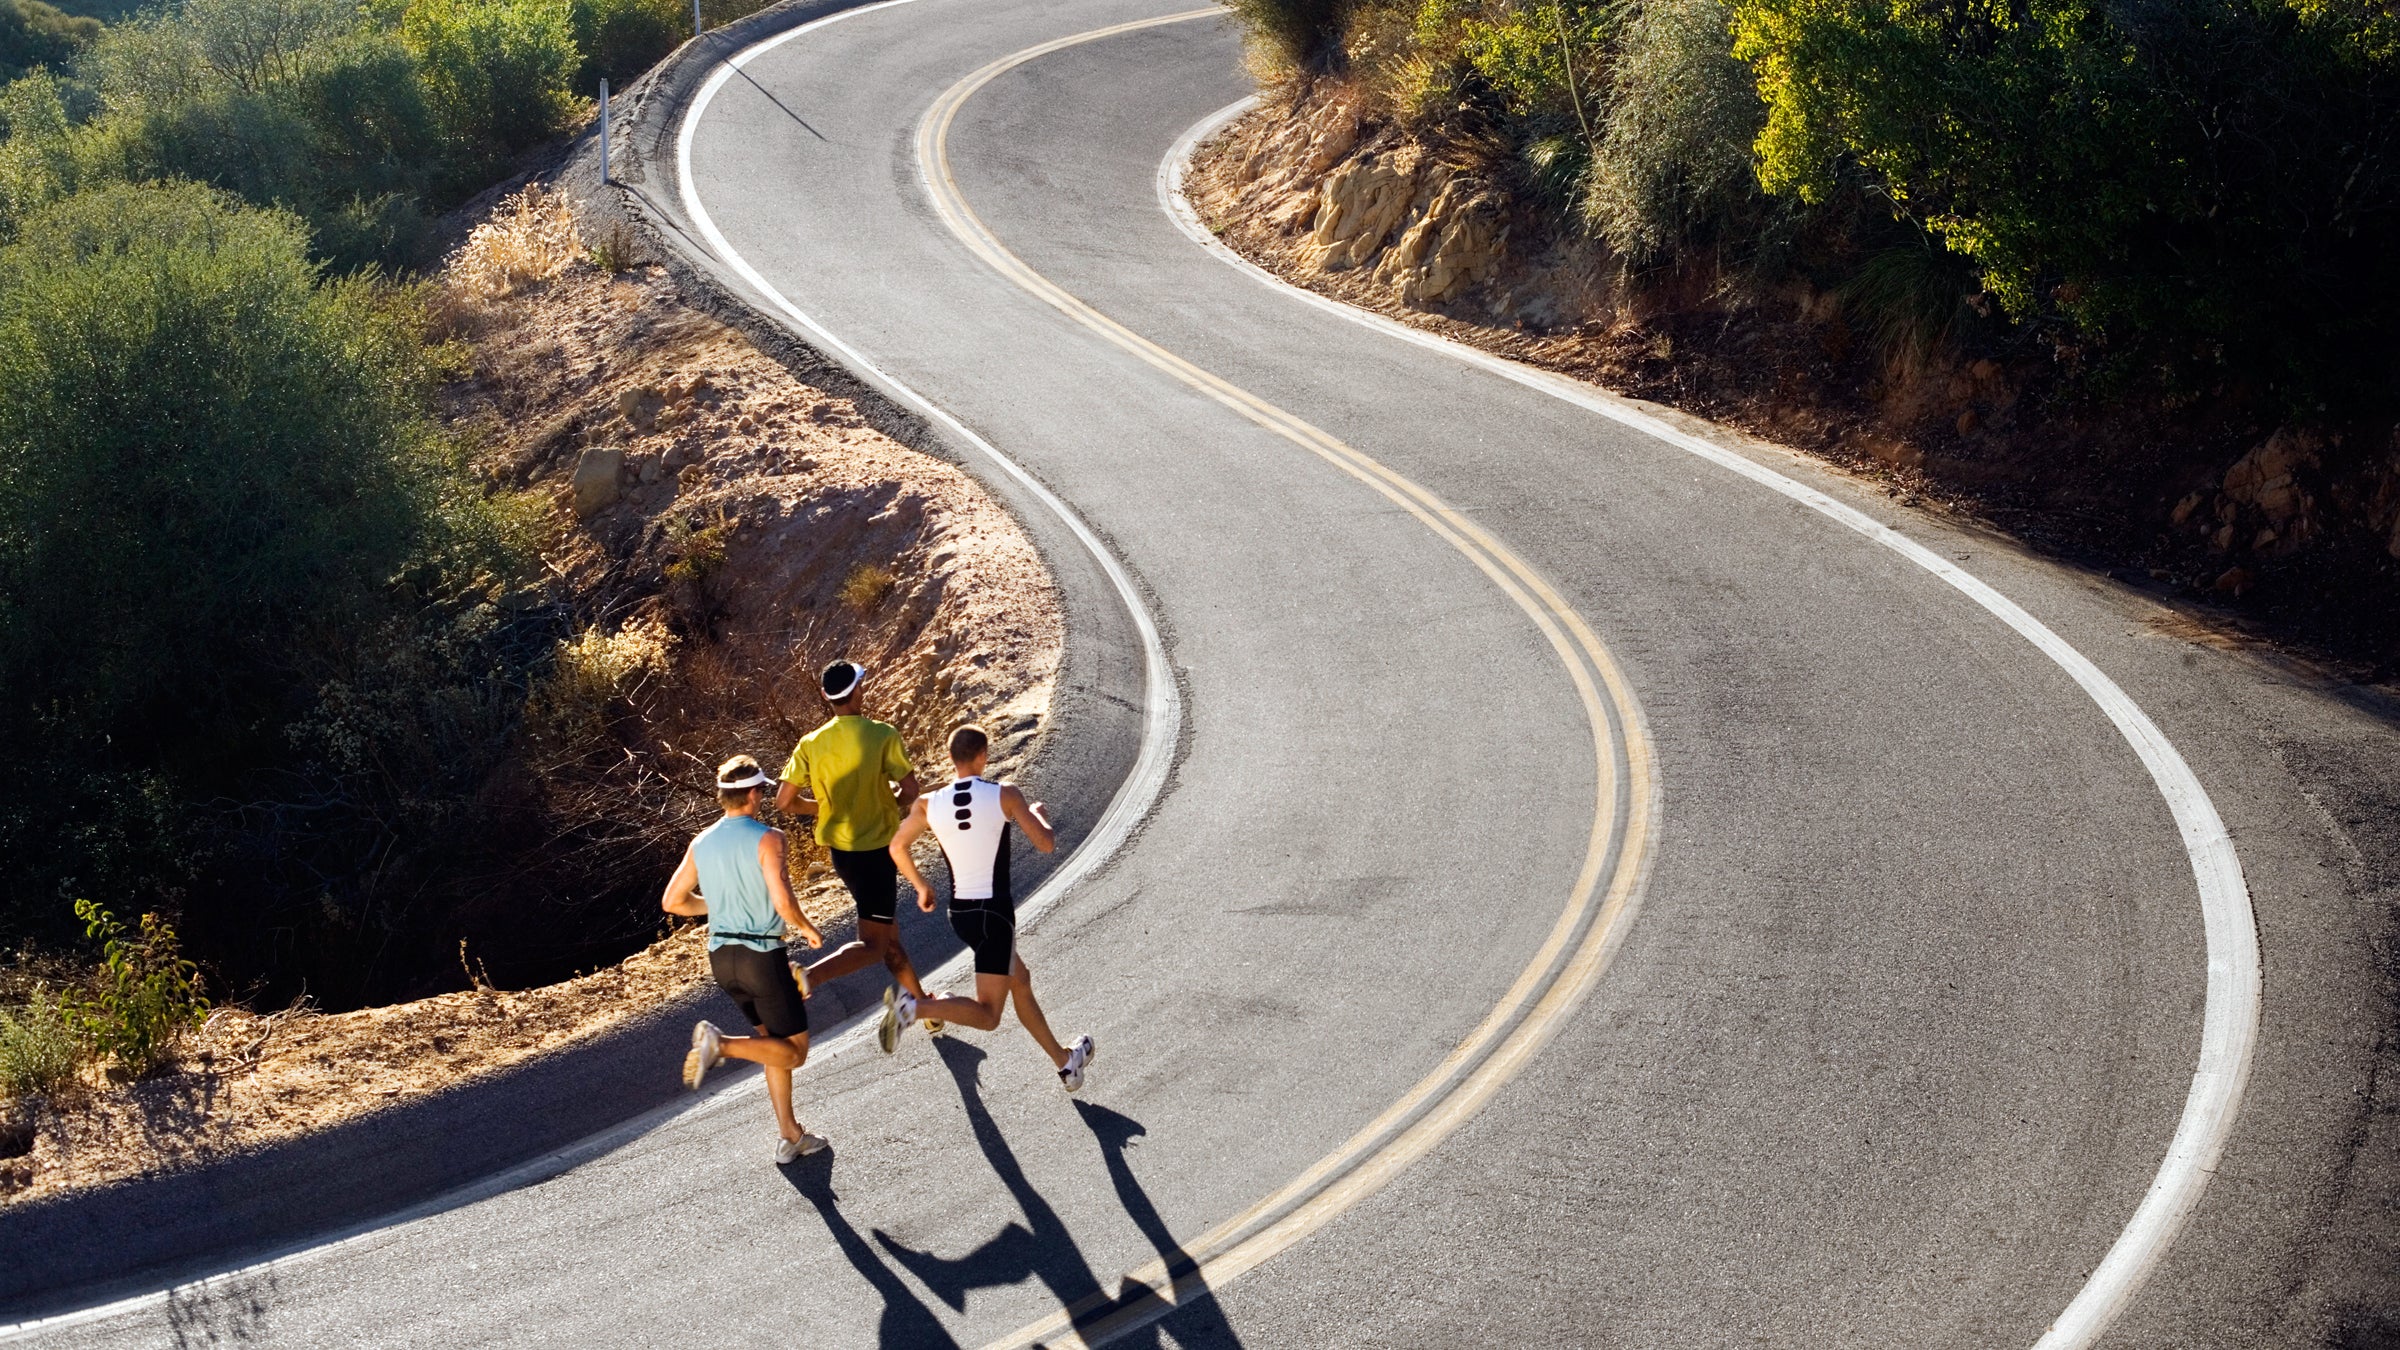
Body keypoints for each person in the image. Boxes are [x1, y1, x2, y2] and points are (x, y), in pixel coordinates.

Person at [883, 724, 1095, 1092]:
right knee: (989, 1015)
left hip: (961, 915)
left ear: (950, 758)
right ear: (983, 756)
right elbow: (1045, 844)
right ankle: (915, 1007)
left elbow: (897, 847)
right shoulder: (1005, 794)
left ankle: (1066, 1064)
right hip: (994, 915)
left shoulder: (928, 804)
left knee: (1020, 980)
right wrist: (1038, 813)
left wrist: (921, 886)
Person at [662, 754, 827, 1163]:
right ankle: (720, 1045)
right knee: (795, 1052)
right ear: (753, 794)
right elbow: (782, 901)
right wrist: (806, 928)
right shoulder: (769, 838)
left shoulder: (701, 842)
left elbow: (673, 901)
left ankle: (790, 1136)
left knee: (772, 1045)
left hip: (722, 958)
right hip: (761, 956)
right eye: (761, 792)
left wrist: (719, 904)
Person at [775, 658, 932, 1049]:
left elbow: (785, 801)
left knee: (888, 938)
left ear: (827, 696)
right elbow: (911, 792)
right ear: (857, 691)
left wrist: (825, 808)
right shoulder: (881, 734)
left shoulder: (811, 743)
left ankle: (924, 1007)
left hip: (843, 857)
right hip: (876, 852)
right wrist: (887, 799)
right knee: (875, 944)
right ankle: (809, 975)